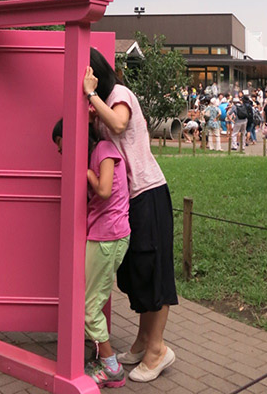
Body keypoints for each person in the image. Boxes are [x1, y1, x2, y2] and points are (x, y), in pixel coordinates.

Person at [83, 49, 177, 383]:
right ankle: (143, 342)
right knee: (137, 270)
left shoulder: (118, 95)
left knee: (155, 269)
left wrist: (90, 94)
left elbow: (120, 124)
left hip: (148, 192)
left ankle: (158, 350)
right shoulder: (100, 105)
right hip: (131, 199)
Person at [52, 119, 130, 388]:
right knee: (88, 302)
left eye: (64, 148)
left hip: (110, 236)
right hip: (101, 234)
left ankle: (112, 368)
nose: (62, 154)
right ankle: (102, 359)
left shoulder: (105, 150)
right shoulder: (95, 155)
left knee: (88, 308)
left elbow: (105, 190)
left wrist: (83, 171)